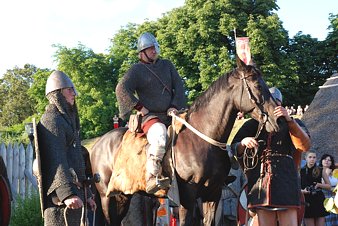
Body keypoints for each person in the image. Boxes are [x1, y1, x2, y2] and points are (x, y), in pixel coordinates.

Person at [115, 32, 187, 194]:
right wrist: (140, 107)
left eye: (154, 47)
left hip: (171, 114)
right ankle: (152, 176)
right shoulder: (136, 70)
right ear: (142, 52)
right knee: (160, 135)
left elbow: (179, 87)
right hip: (150, 117)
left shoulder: (167, 65)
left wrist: (174, 105)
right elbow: (121, 89)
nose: (154, 51)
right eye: (150, 48)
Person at [230, 87, 311, 226]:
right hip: (261, 181)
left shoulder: (292, 123)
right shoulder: (252, 124)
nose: (271, 106)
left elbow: (304, 145)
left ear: (280, 104)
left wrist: (290, 121)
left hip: (286, 179)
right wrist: (243, 143)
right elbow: (234, 148)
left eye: (275, 102)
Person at [37, 71, 96, 226]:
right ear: (57, 93)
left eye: (73, 89)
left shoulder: (67, 122)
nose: (73, 93)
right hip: (61, 202)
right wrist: (66, 194)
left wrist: (88, 194)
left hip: (76, 196)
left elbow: (76, 159)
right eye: (69, 89)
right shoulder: (51, 121)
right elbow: (55, 160)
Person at [301, 151, 331, 226]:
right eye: (310, 157)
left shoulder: (321, 170)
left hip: (319, 199)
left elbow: (329, 186)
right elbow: (295, 188)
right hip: (307, 200)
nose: (312, 159)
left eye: (314, 157)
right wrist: (303, 191)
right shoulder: (301, 171)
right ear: (306, 158)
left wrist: (319, 185)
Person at [319, 154, 338, 226]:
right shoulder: (318, 171)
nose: (327, 161)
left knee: (334, 218)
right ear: (322, 161)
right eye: (325, 159)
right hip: (324, 196)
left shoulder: (334, 172)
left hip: (335, 197)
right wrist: (326, 173)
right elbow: (322, 184)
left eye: (329, 160)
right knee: (326, 218)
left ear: (331, 162)